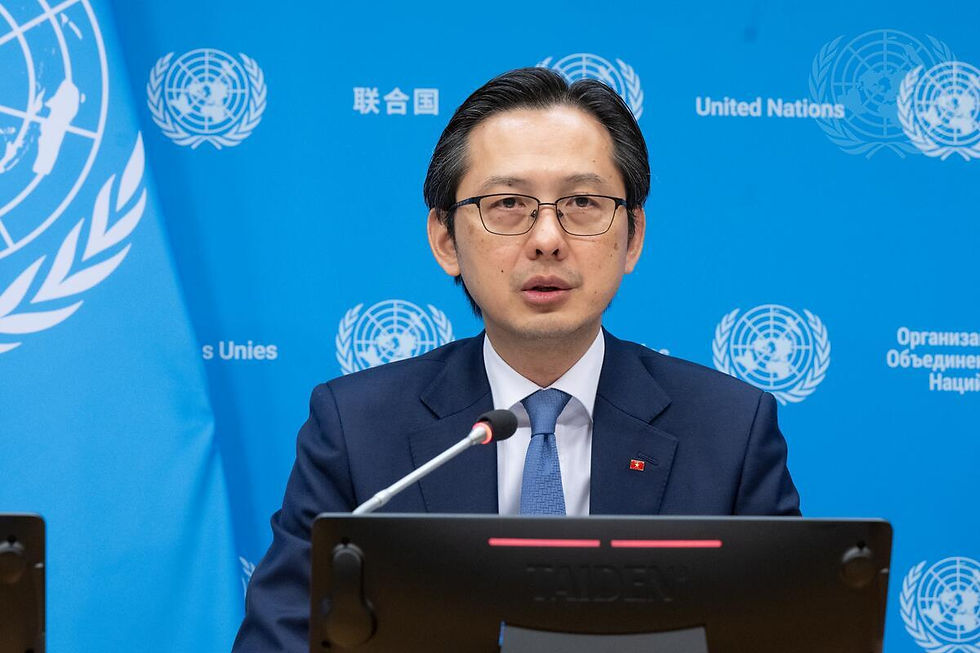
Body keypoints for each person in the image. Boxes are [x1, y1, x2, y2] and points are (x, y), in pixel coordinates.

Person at [232, 67, 800, 652]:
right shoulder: (357, 429)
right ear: (446, 241)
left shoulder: (729, 430)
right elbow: (279, 640)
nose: (547, 239)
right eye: (508, 203)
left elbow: (788, 633)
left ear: (632, 238)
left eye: (582, 202)